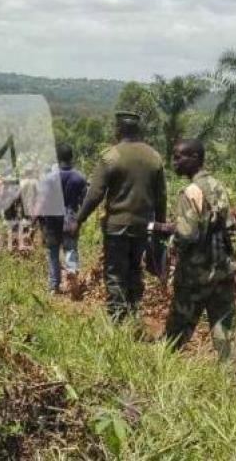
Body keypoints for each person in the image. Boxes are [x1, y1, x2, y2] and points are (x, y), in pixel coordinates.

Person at [71, 111, 166, 321]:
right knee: (135, 271)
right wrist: (160, 230)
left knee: (115, 274)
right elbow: (161, 198)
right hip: (143, 227)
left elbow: (95, 194)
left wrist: (78, 220)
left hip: (117, 227)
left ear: (118, 130)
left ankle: (116, 322)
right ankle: (134, 316)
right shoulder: (154, 157)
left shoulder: (110, 156)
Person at [164, 139, 236, 366]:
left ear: (195, 158)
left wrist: (169, 238)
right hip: (223, 269)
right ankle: (229, 376)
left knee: (178, 326)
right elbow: (229, 226)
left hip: (195, 275)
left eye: (179, 156)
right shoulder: (218, 185)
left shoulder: (191, 191)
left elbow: (188, 236)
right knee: (223, 325)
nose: (174, 161)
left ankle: (162, 368)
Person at [38, 144, 87, 295]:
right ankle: (71, 271)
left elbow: (42, 201)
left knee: (52, 252)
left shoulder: (48, 178)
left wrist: (38, 220)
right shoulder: (79, 178)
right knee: (70, 249)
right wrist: (80, 219)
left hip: (52, 220)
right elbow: (84, 201)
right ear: (71, 158)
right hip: (70, 219)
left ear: (57, 158)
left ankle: (54, 286)